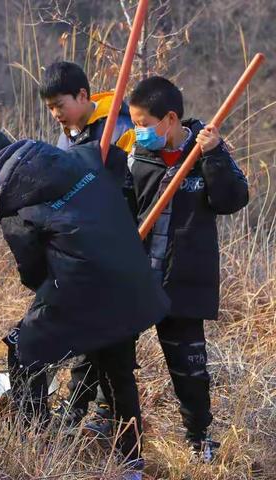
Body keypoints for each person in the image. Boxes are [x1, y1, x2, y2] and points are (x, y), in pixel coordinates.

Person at [0, 129, 170, 477]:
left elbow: (32, 273)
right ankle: (132, 464)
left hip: (82, 290)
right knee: (117, 369)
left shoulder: (14, 201)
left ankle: (36, 448)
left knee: (23, 348)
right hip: (131, 278)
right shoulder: (74, 157)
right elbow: (116, 161)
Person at [126, 76, 249, 462]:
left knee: (190, 369)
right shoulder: (137, 157)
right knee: (112, 351)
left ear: (170, 119)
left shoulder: (206, 150)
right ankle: (110, 424)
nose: (138, 131)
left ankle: (198, 438)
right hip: (138, 276)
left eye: (143, 123)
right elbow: (124, 208)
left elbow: (233, 199)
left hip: (183, 280)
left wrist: (213, 155)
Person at [39, 61, 138, 430]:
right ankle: (84, 409)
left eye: (59, 105)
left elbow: (137, 190)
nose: (56, 115)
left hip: (120, 249)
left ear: (83, 95)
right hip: (84, 252)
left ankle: (107, 415)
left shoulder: (122, 126)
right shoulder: (68, 136)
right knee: (89, 333)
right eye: (49, 108)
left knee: (113, 342)